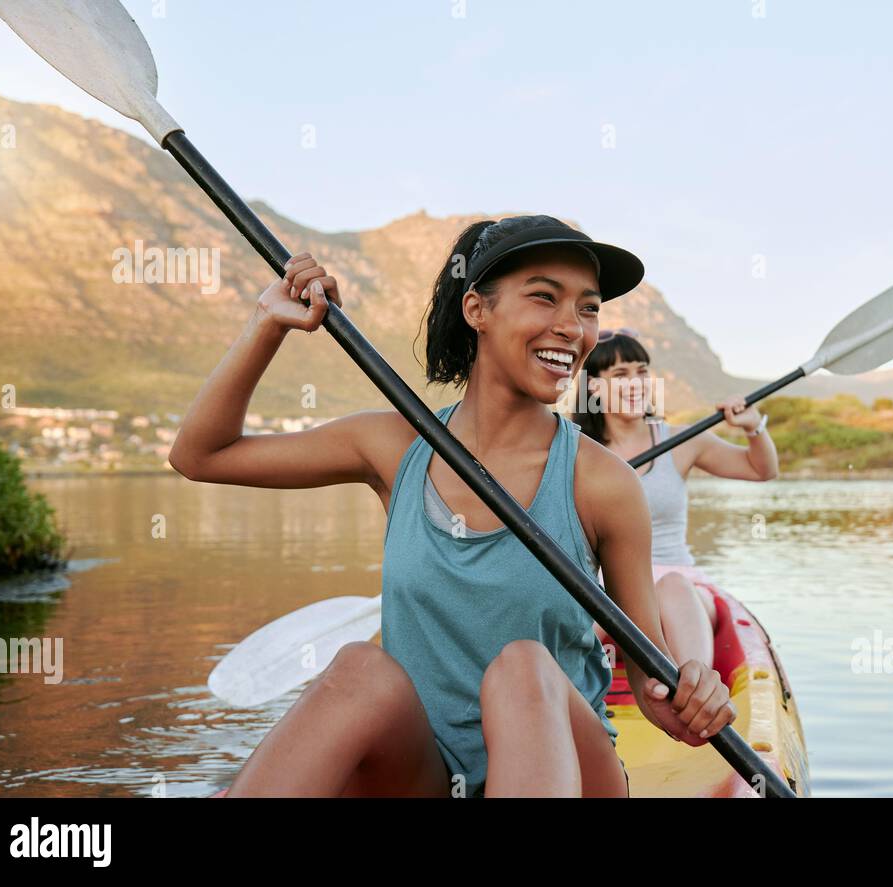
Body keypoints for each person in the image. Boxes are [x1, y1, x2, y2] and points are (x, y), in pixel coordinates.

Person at [169, 215, 735, 797]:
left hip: (573, 770)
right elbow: (202, 455)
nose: (572, 327)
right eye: (544, 297)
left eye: (588, 308)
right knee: (359, 668)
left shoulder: (604, 482)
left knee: (523, 667)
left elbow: (648, 675)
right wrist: (268, 324)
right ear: (476, 310)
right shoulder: (393, 446)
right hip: (430, 776)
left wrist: (685, 696)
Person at [571, 329, 778, 669]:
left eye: (641, 372)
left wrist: (753, 428)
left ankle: (696, 695)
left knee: (672, 587)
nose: (636, 383)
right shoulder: (576, 451)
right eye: (621, 375)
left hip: (681, 592)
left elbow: (760, 470)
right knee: (594, 604)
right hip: (609, 595)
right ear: (593, 386)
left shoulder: (682, 441)